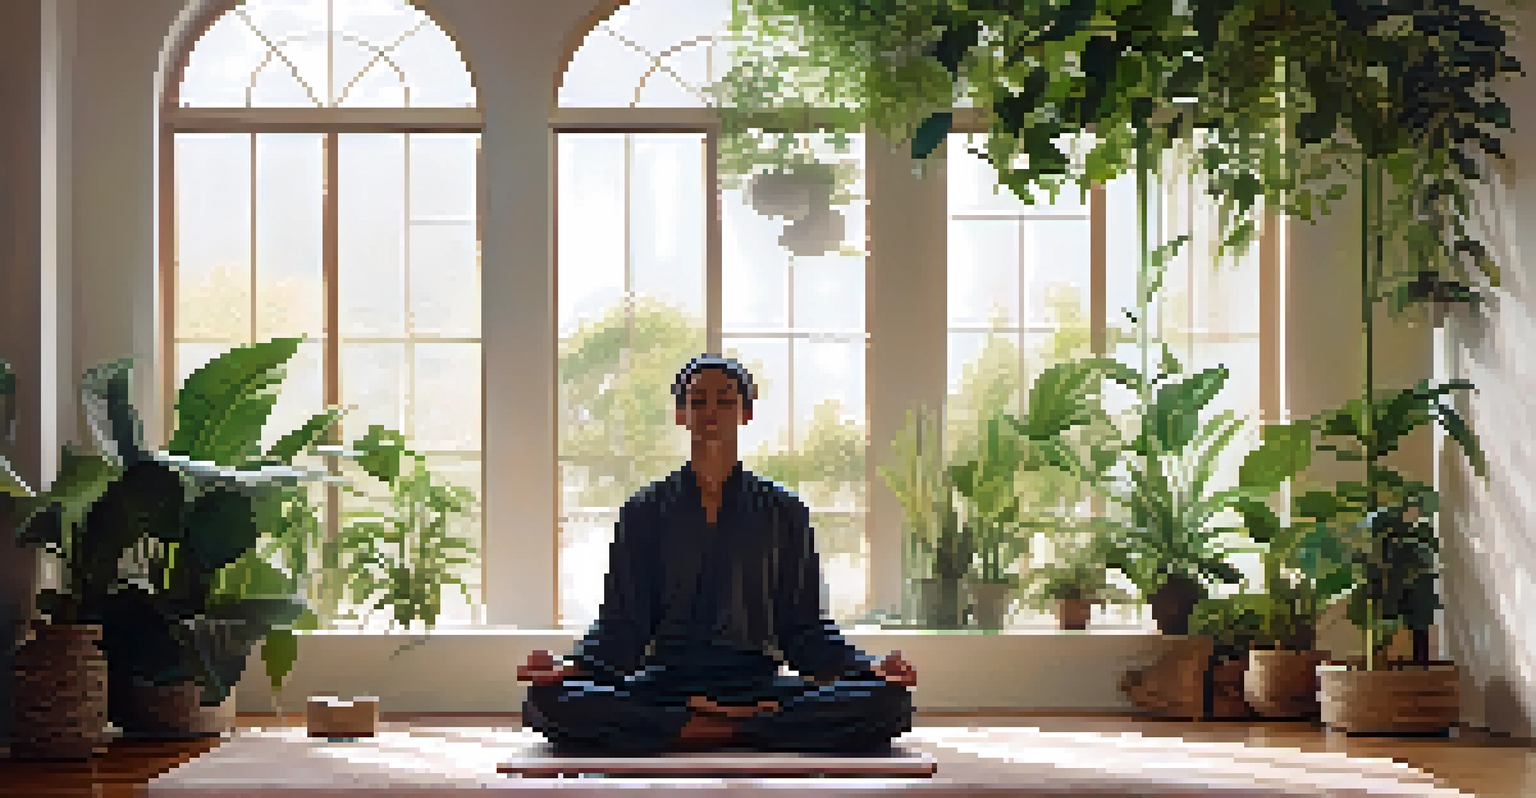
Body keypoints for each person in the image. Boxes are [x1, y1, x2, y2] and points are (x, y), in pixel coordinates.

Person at [519, 354, 916, 755]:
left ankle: (692, 730)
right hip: (666, 684)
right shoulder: (644, 509)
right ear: (681, 413)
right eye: (698, 400)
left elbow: (805, 629)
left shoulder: (785, 511)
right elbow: (623, 626)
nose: (711, 411)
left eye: (725, 401)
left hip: (756, 684)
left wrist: (869, 669)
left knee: (889, 703)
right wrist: (566, 668)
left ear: (745, 413)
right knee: (548, 701)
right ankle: (748, 729)